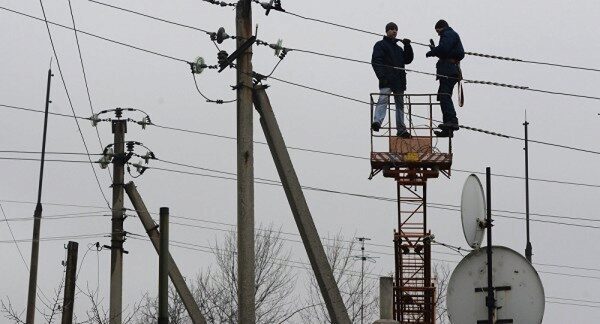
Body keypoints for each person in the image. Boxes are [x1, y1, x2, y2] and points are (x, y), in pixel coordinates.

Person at [371, 22, 414, 138]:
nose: (394, 31)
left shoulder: (399, 49)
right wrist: (382, 77)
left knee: (400, 105)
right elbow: (376, 61)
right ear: (387, 31)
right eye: (391, 29)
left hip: (399, 81)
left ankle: (401, 129)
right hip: (387, 79)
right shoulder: (381, 45)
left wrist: (407, 46)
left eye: (396, 29)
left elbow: (407, 59)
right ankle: (377, 122)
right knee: (383, 99)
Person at [426, 19, 465, 137]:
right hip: (449, 70)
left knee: (445, 96)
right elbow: (445, 52)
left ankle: (452, 122)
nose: (438, 34)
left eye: (438, 31)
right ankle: (448, 129)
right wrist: (436, 50)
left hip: (449, 70)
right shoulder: (449, 35)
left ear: (441, 27)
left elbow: (444, 49)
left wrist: (432, 52)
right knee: (443, 96)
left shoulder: (448, 34)